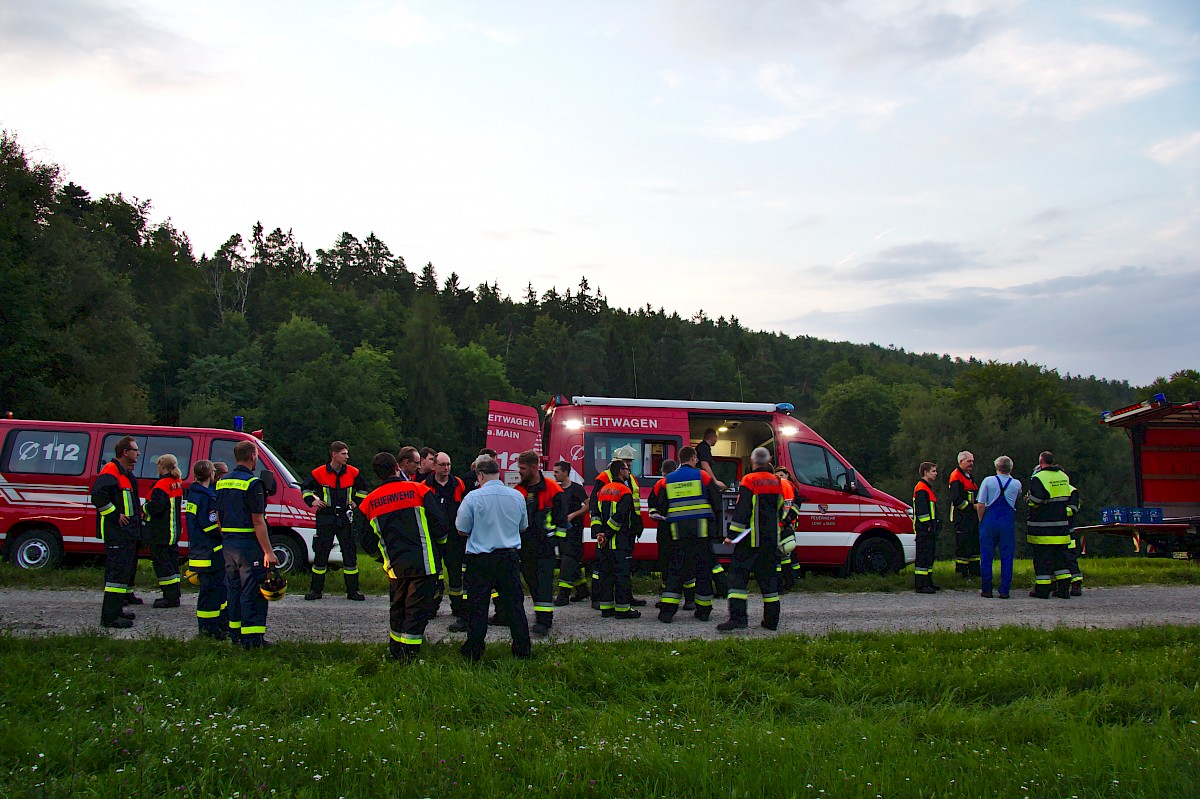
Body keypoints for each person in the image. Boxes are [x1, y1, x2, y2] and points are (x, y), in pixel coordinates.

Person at [359, 451, 447, 662]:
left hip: (395, 566)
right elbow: (440, 525)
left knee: (398, 610)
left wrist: (382, 558)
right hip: (424, 564)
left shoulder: (369, 502)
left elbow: (365, 541)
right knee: (416, 613)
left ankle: (395, 651)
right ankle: (409, 658)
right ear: (397, 468)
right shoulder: (418, 490)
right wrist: (441, 548)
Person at [456, 456, 532, 661]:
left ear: (480, 475)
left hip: (480, 559)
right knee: (515, 605)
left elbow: (461, 529)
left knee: (478, 606)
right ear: (498, 473)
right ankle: (522, 648)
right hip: (509, 556)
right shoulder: (516, 496)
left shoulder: (473, 497)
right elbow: (523, 527)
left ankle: (474, 650)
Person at [216, 440, 278, 649]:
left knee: (233, 591)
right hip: (249, 546)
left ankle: (236, 634)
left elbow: (218, 516)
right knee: (252, 593)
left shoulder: (222, 482)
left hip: (229, 544)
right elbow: (258, 520)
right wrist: (268, 552)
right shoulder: (253, 484)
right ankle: (252, 640)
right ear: (252, 456)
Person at [718, 447, 783, 631]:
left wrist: (731, 536)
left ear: (753, 462)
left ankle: (738, 619)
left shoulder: (749, 480)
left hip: (750, 540)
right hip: (770, 540)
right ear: (768, 460)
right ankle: (771, 622)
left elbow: (742, 510)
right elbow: (780, 509)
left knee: (737, 578)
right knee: (769, 581)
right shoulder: (777, 481)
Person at [654, 447, 720, 623]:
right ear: (692, 457)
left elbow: (662, 507)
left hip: (678, 534)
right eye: (696, 458)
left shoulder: (668, 479)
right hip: (701, 532)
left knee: (675, 571)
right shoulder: (703, 476)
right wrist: (716, 529)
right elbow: (716, 501)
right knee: (703, 571)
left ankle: (667, 611)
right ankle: (703, 611)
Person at [301, 441, 368, 601]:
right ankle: (315, 590)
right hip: (326, 516)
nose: (347, 457)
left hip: (345, 516)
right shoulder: (319, 473)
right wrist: (312, 501)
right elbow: (305, 488)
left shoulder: (352, 472)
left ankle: (353, 591)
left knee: (349, 553)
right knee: (321, 553)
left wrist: (356, 502)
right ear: (334, 454)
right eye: (344, 454)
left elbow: (364, 489)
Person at [91, 435, 143, 629]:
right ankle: (109, 618)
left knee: (123, 574)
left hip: (127, 532)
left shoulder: (124, 473)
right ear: (125, 452)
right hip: (118, 533)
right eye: (135, 450)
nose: (138, 453)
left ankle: (117, 609)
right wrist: (115, 515)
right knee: (116, 575)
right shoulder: (111, 470)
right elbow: (97, 495)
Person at [515, 450, 566, 637]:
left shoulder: (553, 490)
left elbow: (562, 521)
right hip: (525, 546)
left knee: (544, 584)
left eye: (523, 468)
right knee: (532, 582)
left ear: (534, 467)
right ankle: (541, 614)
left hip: (545, 547)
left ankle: (544, 621)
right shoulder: (518, 490)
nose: (519, 471)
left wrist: (555, 541)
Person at [593, 459, 641, 619]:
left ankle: (606, 608)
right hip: (619, 542)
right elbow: (619, 517)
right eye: (627, 469)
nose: (629, 472)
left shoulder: (603, 490)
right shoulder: (625, 491)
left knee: (606, 575)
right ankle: (622, 609)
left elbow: (595, 514)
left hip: (604, 544)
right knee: (622, 576)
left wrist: (599, 533)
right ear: (621, 471)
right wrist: (607, 534)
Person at [1026, 451, 1077, 600]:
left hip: (1043, 528)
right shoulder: (1063, 476)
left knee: (1042, 560)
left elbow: (1037, 500)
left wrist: (1028, 499)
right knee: (1060, 559)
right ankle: (1063, 590)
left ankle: (1042, 590)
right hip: (1062, 528)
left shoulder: (1039, 477)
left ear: (1041, 462)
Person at [185, 459, 226, 638]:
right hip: (209, 552)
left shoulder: (194, 494)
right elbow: (209, 526)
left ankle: (215, 625)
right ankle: (208, 629)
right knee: (211, 592)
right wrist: (226, 534)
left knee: (212, 590)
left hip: (199, 550)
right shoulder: (206, 497)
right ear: (211, 474)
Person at [425, 452, 467, 626]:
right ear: (434, 466)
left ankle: (458, 607)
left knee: (456, 573)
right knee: (435, 574)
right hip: (433, 537)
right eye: (442, 465)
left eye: (448, 464)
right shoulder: (425, 486)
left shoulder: (458, 484)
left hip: (454, 537)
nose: (446, 468)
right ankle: (431, 607)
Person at [975, 455, 1021, 599]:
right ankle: (1004, 590)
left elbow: (981, 504)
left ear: (996, 467)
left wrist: (982, 520)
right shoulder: (1016, 484)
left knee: (987, 555)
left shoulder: (988, 481)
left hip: (990, 520)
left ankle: (987, 589)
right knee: (1007, 556)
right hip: (1007, 521)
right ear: (1010, 468)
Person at [142, 454, 184, 609]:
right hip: (173, 531)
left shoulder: (161, 485)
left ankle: (169, 597)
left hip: (160, 532)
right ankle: (175, 594)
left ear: (162, 466)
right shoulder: (176, 482)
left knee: (163, 565)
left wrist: (143, 508)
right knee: (172, 564)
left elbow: (155, 508)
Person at [553, 460, 590, 606]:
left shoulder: (576, 489)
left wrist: (573, 515)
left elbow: (588, 505)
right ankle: (582, 590)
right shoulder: (557, 489)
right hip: (562, 531)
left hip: (574, 530)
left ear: (565, 472)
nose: (554, 474)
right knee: (569, 560)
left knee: (567, 561)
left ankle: (564, 595)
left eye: (557, 472)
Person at [948, 451, 981, 579]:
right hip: (962, 518)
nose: (971, 464)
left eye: (972, 461)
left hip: (972, 517)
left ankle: (975, 571)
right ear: (961, 462)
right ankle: (961, 573)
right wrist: (972, 506)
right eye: (969, 461)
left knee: (974, 545)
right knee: (963, 545)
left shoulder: (968, 475)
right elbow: (956, 500)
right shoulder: (956, 476)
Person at [912, 462, 940, 595]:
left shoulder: (927, 488)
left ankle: (927, 582)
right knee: (923, 557)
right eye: (933, 471)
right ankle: (921, 585)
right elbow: (922, 512)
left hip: (929, 529)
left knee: (929, 556)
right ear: (925, 473)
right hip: (924, 530)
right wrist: (929, 525)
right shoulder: (921, 488)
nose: (936, 473)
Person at [775, 466, 804, 590]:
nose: (779, 478)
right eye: (777, 475)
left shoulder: (790, 487)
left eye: (781, 475)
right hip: (784, 525)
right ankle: (789, 579)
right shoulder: (780, 487)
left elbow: (796, 504)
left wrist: (788, 519)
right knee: (786, 555)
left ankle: (789, 580)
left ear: (787, 475)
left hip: (786, 526)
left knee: (786, 554)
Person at [1064, 482, 1084, 595]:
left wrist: (1054, 511)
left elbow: (1072, 510)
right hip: (1056, 530)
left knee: (1070, 558)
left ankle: (1076, 583)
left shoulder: (1071, 491)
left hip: (1068, 531)